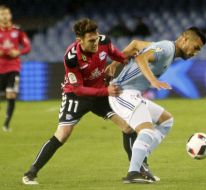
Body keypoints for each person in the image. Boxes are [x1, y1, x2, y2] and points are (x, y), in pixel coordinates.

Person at [22, 18, 154, 185]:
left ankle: (138, 171)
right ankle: (31, 173)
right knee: (63, 134)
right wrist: (106, 90)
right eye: (91, 41)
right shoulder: (71, 57)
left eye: (96, 38)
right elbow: (78, 89)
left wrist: (123, 60)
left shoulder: (104, 41)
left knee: (128, 127)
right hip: (76, 97)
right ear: (80, 40)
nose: (96, 43)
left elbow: (116, 55)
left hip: (100, 95)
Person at [108, 26, 206, 183]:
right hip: (122, 93)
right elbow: (141, 58)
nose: (195, 53)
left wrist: (114, 64)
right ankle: (133, 173)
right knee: (147, 131)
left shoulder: (165, 49)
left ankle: (141, 164)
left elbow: (134, 44)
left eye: (199, 50)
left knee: (166, 120)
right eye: (196, 47)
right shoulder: (166, 48)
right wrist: (153, 80)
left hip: (132, 94)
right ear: (184, 39)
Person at [0, 5, 31, 131]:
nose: (5, 16)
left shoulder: (18, 31)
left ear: (10, 15)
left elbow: (27, 47)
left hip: (13, 68)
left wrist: (18, 53)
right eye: (2, 14)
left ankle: (6, 124)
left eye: (7, 14)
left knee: (11, 94)